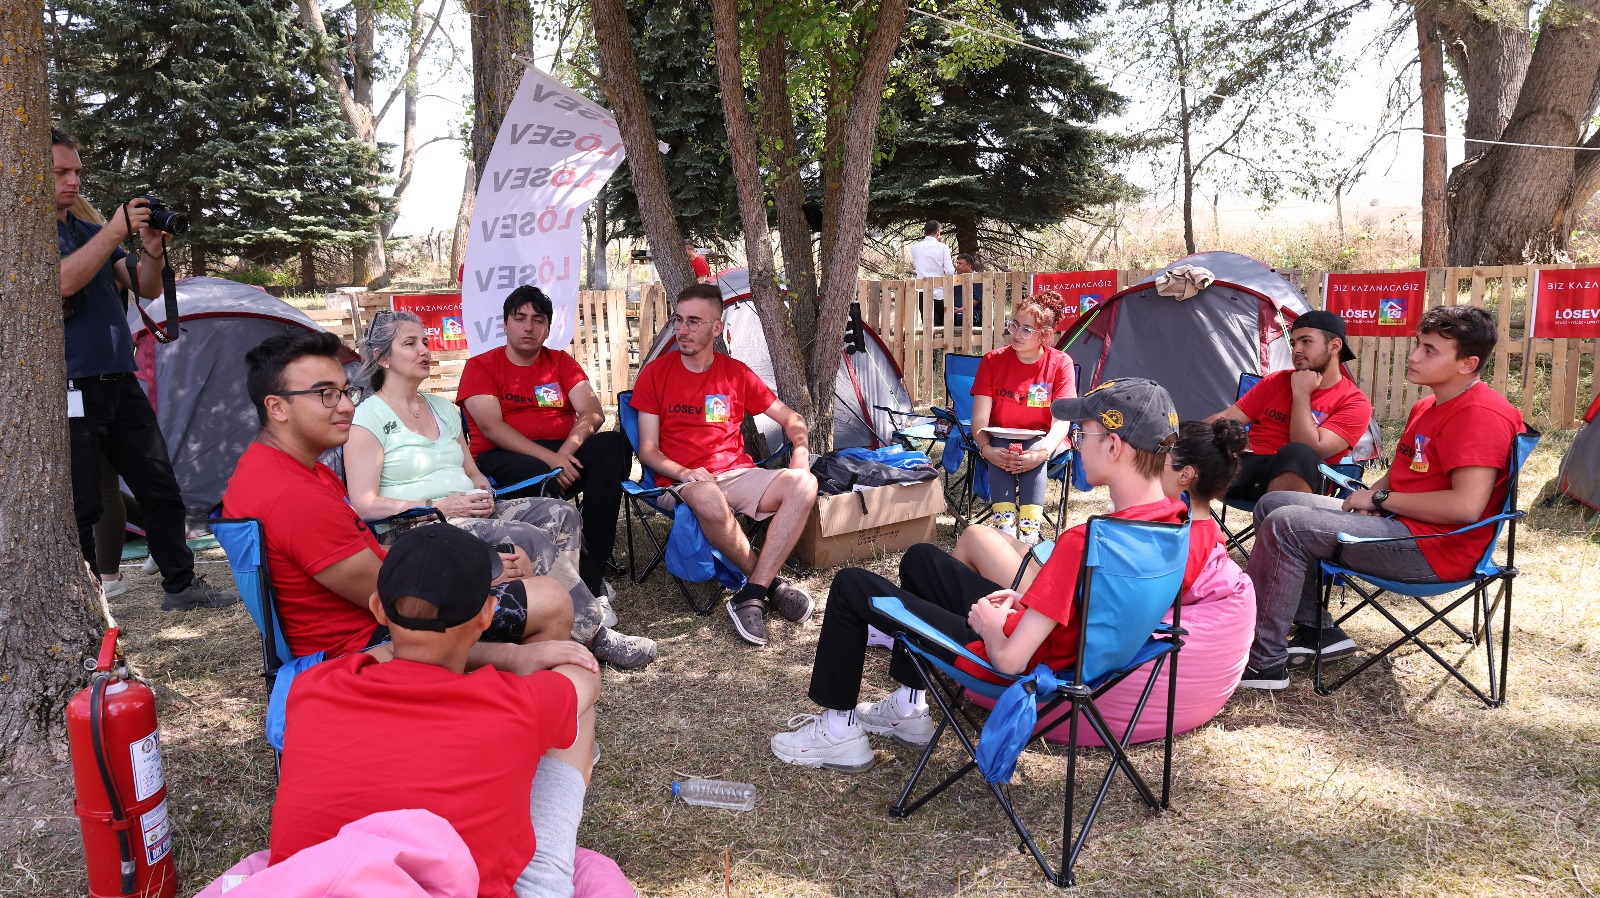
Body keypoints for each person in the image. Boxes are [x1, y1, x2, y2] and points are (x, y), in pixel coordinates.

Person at [770, 379, 1206, 772]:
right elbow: (1100, 605)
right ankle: (907, 707)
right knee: (921, 559)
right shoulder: (1176, 526)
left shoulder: (1087, 542)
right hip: (1074, 657)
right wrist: (1026, 605)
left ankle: (837, 733)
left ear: (1114, 446)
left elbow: (1010, 661)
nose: (1074, 444)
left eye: (1081, 434)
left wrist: (991, 627)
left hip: (1014, 664)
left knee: (851, 586)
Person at [268, 523, 601, 898]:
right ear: (488, 613)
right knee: (573, 711)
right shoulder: (516, 705)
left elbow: (385, 652)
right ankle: (545, 876)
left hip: (311, 883)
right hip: (467, 886)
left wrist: (505, 656)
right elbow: (584, 674)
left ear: (378, 607)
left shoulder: (311, 688)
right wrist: (514, 657)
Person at [221, 331, 581, 673]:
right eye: (326, 394)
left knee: (517, 562)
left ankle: (500, 700)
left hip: (376, 624)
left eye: (346, 392)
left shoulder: (273, 469)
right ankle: (507, 713)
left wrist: (483, 564)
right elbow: (400, 600)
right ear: (277, 408)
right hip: (368, 648)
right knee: (549, 599)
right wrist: (478, 576)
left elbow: (373, 561)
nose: (346, 406)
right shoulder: (293, 495)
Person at [346, 311, 656, 669]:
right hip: (418, 526)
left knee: (562, 513)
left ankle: (561, 617)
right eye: (410, 343)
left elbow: (473, 471)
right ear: (383, 357)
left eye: (426, 342)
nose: (424, 351)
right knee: (529, 536)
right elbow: (364, 504)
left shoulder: (443, 409)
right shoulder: (368, 417)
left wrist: (482, 491)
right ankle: (593, 635)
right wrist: (440, 505)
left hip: (468, 509)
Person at [1240, 306, 1524, 690]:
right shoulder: (1428, 404)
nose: (1414, 357)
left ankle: (1263, 663)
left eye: (1430, 350)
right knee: (1275, 503)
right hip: (1399, 525)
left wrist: (1382, 499)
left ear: (1467, 363)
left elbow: (1464, 507)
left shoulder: (1481, 414)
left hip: (1435, 548)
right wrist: (1372, 493)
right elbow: (1405, 471)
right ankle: (1318, 632)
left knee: (1287, 524)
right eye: (1418, 345)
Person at [53, 127, 237, 612]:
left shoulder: (88, 231)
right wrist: (116, 230)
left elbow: (149, 289)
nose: (73, 181)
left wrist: (153, 247)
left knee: (160, 487)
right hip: (70, 387)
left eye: (76, 171)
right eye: (61, 172)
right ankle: (88, 603)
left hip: (119, 379)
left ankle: (180, 586)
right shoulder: (28, 237)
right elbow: (63, 283)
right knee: (86, 503)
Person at [629, 283, 818, 647]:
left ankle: (754, 593)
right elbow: (648, 451)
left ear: (717, 328)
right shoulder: (656, 374)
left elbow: (792, 418)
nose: (682, 330)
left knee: (804, 485)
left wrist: (800, 455)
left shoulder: (735, 373)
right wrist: (685, 473)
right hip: (679, 481)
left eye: (694, 322)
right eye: (679, 320)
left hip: (735, 473)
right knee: (708, 496)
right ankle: (769, 586)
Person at [458, 286, 633, 598]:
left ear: (548, 328)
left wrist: (564, 453)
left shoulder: (561, 362)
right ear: (505, 324)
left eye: (538, 320)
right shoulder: (481, 366)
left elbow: (592, 411)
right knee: (536, 471)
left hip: (561, 453)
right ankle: (586, 583)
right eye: (520, 318)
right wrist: (552, 462)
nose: (529, 327)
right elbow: (492, 428)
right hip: (502, 456)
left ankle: (592, 554)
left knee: (613, 446)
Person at [952, 417, 1250, 595]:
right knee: (994, 537)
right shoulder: (1189, 523)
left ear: (1185, 475)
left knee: (974, 537)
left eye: (1164, 455)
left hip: (1066, 602)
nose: (1155, 459)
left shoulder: (1184, 536)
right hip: (1072, 581)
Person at [1206, 310, 1373, 500]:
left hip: (1302, 478)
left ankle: (1276, 527)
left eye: (1306, 341)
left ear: (1334, 346)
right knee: (1191, 444)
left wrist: (1301, 394)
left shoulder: (1354, 402)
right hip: (1245, 469)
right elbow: (1229, 417)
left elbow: (1311, 448)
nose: (1296, 350)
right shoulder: (1276, 381)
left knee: (1299, 452)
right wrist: (1184, 434)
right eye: (1293, 343)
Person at [970, 289, 1077, 545]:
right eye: (1014, 324)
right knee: (1002, 450)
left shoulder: (1060, 363)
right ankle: (1006, 532)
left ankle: (1028, 536)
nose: (1016, 334)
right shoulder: (992, 361)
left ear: (1046, 335)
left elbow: (1062, 421)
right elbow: (980, 419)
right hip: (998, 437)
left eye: (1027, 329)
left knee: (1032, 452)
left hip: (1043, 438)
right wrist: (985, 449)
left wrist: (1042, 452)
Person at [909, 219, 955, 327]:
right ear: (938, 232)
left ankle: (928, 343)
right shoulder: (943, 248)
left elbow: (916, 265)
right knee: (945, 324)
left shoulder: (915, 247)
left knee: (927, 324)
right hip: (939, 292)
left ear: (924, 232)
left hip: (922, 290)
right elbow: (949, 270)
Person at [952, 252, 983, 328]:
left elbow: (975, 300)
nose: (957, 266)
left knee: (961, 317)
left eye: (960, 264)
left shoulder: (977, 279)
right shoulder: (957, 279)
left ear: (969, 265)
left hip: (974, 312)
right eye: (957, 263)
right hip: (957, 311)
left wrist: (960, 310)